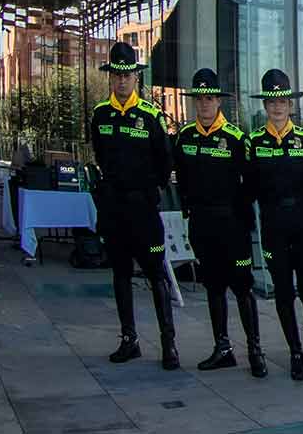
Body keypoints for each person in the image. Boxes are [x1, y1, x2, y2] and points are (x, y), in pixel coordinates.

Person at [88, 43, 181, 371]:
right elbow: (100, 154)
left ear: (136, 78)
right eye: (117, 75)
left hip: (143, 208)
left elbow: (165, 161)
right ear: (111, 77)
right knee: (121, 274)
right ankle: (129, 340)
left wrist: (148, 189)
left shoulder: (151, 116)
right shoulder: (100, 114)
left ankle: (168, 343)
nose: (122, 80)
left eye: (127, 75)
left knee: (156, 274)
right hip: (114, 208)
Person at [173, 68, 263, 378]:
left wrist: (239, 214)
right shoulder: (185, 137)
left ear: (219, 101)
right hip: (202, 222)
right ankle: (222, 348)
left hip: (232, 225)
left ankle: (255, 350)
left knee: (242, 286)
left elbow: (251, 183)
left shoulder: (236, 138)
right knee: (213, 286)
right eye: (199, 99)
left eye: (209, 98)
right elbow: (180, 178)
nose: (204, 104)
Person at [246, 69, 303, 381]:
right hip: (273, 225)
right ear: (265, 105)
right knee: (283, 292)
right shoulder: (254, 141)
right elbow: (248, 187)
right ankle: (296, 352)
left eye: (282, 101)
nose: (277, 107)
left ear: (290, 104)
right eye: (272, 101)